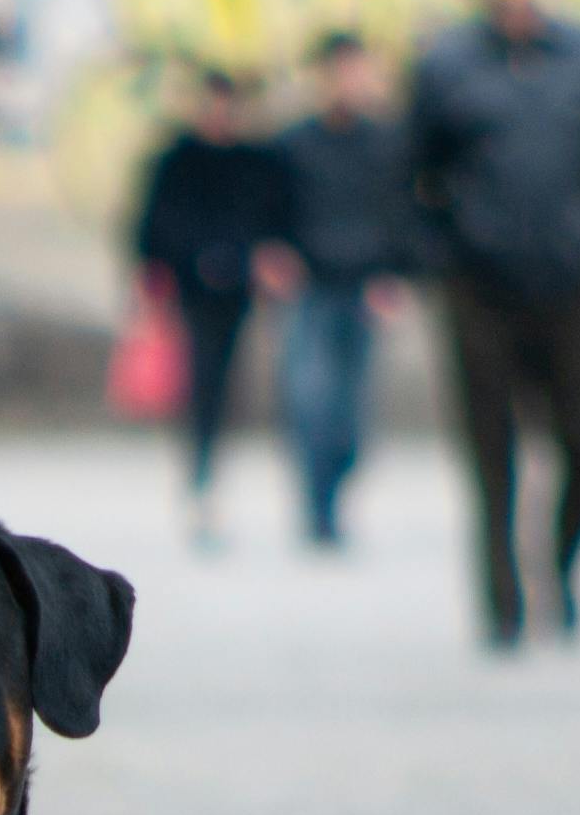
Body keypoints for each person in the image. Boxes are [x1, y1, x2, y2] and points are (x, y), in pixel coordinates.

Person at [403, 0, 580, 646]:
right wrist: (441, 260)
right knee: (492, 459)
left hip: (576, 289)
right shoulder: (446, 65)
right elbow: (411, 179)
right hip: (481, 292)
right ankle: (503, 607)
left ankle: (560, 565)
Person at [266, 30, 419, 550]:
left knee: (352, 413)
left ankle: (335, 487)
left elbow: (404, 216)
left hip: (365, 288)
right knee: (310, 399)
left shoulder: (389, 144)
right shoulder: (293, 144)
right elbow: (270, 213)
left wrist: (398, 275)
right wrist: (274, 254)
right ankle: (317, 504)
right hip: (310, 288)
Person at [130, 68, 293, 549]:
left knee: (228, 379)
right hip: (190, 289)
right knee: (202, 379)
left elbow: (274, 220)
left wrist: (265, 257)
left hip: (240, 291)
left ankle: (209, 465)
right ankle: (201, 468)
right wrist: (154, 275)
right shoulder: (176, 159)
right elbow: (151, 225)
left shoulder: (256, 161)